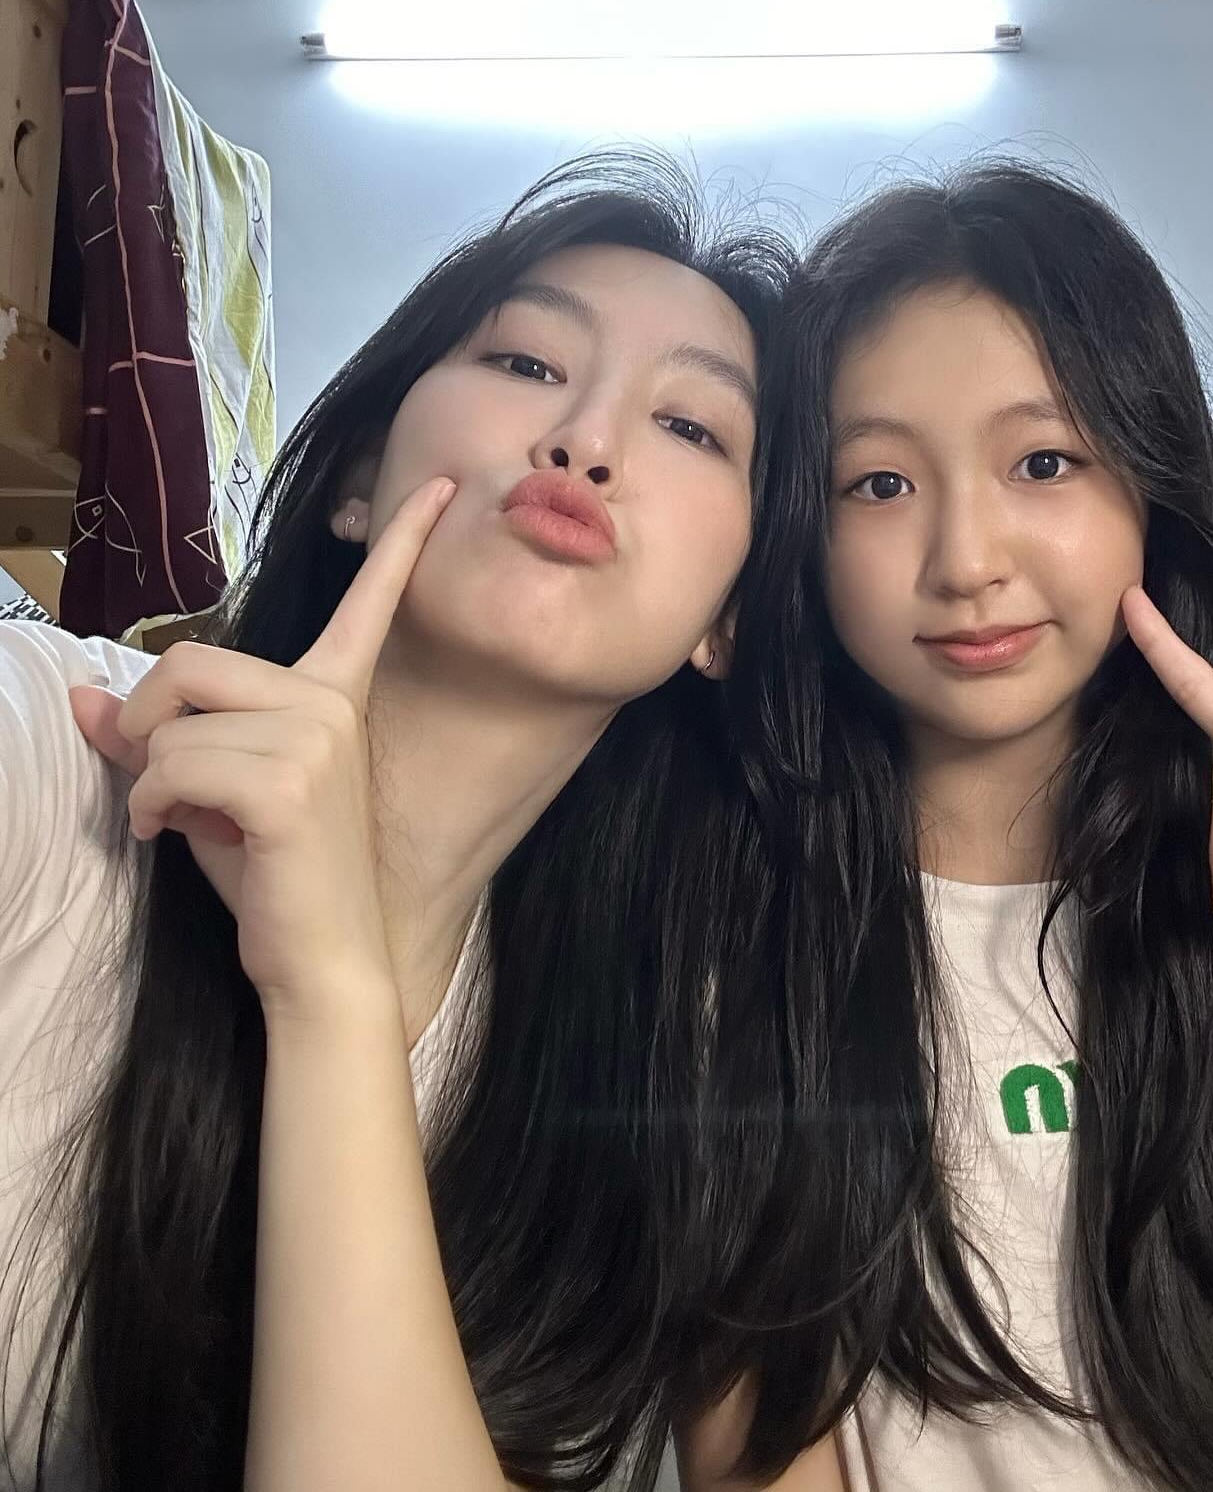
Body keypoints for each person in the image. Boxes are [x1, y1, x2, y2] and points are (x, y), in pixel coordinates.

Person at [0, 152, 857, 1492]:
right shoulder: (63, 749)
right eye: (524, 362)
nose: (585, 439)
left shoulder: (649, 1068)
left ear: (728, 624)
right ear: (358, 475)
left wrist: (331, 997)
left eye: (692, 428)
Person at [728, 162, 1213, 1492]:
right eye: (877, 483)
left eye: (1043, 461)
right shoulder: (749, 969)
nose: (966, 560)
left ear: (1148, 501)